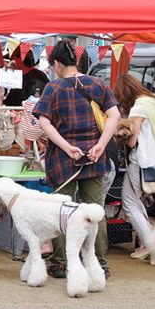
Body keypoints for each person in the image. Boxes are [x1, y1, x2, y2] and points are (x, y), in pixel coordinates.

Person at [34, 40, 120, 278]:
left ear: (58, 64)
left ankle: (61, 263)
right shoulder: (98, 84)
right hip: (94, 157)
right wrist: (101, 145)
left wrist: (66, 146)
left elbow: (44, 121)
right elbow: (114, 115)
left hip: (63, 159)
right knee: (95, 211)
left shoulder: (53, 88)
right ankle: (100, 265)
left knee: (62, 211)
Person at [113, 73, 155, 258]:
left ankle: (150, 243)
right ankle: (147, 243)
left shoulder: (137, 108)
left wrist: (121, 136)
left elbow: (132, 142)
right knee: (136, 201)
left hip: (140, 161)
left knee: (129, 203)